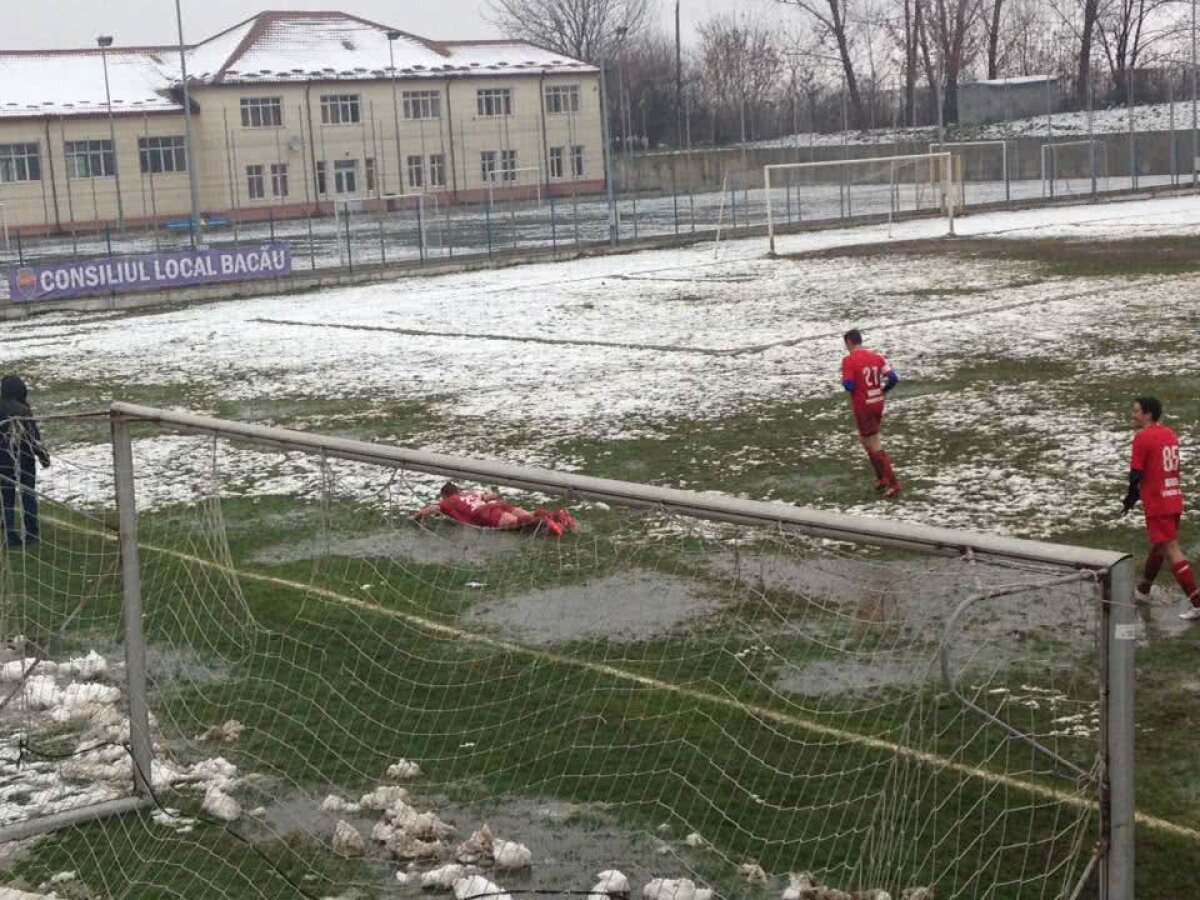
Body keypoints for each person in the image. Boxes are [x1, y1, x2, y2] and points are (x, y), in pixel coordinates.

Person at [1121, 396, 1200, 621]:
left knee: (1171, 550)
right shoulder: (1170, 434)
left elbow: (1137, 473)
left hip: (1158, 501)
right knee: (1158, 545)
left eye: (1136, 411)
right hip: (1173, 496)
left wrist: (1130, 498)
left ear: (1147, 413)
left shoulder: (1143, 438)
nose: (1133, 415)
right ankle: (1144, 590)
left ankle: (1197, 602)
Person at [841, 329, 901, 498]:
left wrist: (850, 383)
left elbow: (849, 385)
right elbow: (893, 378)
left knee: (874, 442)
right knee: (865, 439)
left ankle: (893, 483)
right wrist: (882, 390)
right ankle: (881, 478)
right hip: (877, 402)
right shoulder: (877, 357)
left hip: (863, 405)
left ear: (850, 343)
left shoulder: (849, 360)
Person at [416, 482, 578, 537]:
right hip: (495, 505)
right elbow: (493, 495)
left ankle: (547, 521)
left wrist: (417, 517)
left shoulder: (447, 503)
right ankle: (558, 516)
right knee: (528, 514)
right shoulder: (471, 493)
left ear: (445, 495)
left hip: (484, 514)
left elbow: (430, 509)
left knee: (517, 524)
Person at [0, 375, 50, 548]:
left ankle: (10, 535)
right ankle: (31, 533)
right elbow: (33, 438)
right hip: (24, 459)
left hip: (3, 462)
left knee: (7, 498)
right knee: (28, 495)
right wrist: (43, 456)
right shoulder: (24, 410)